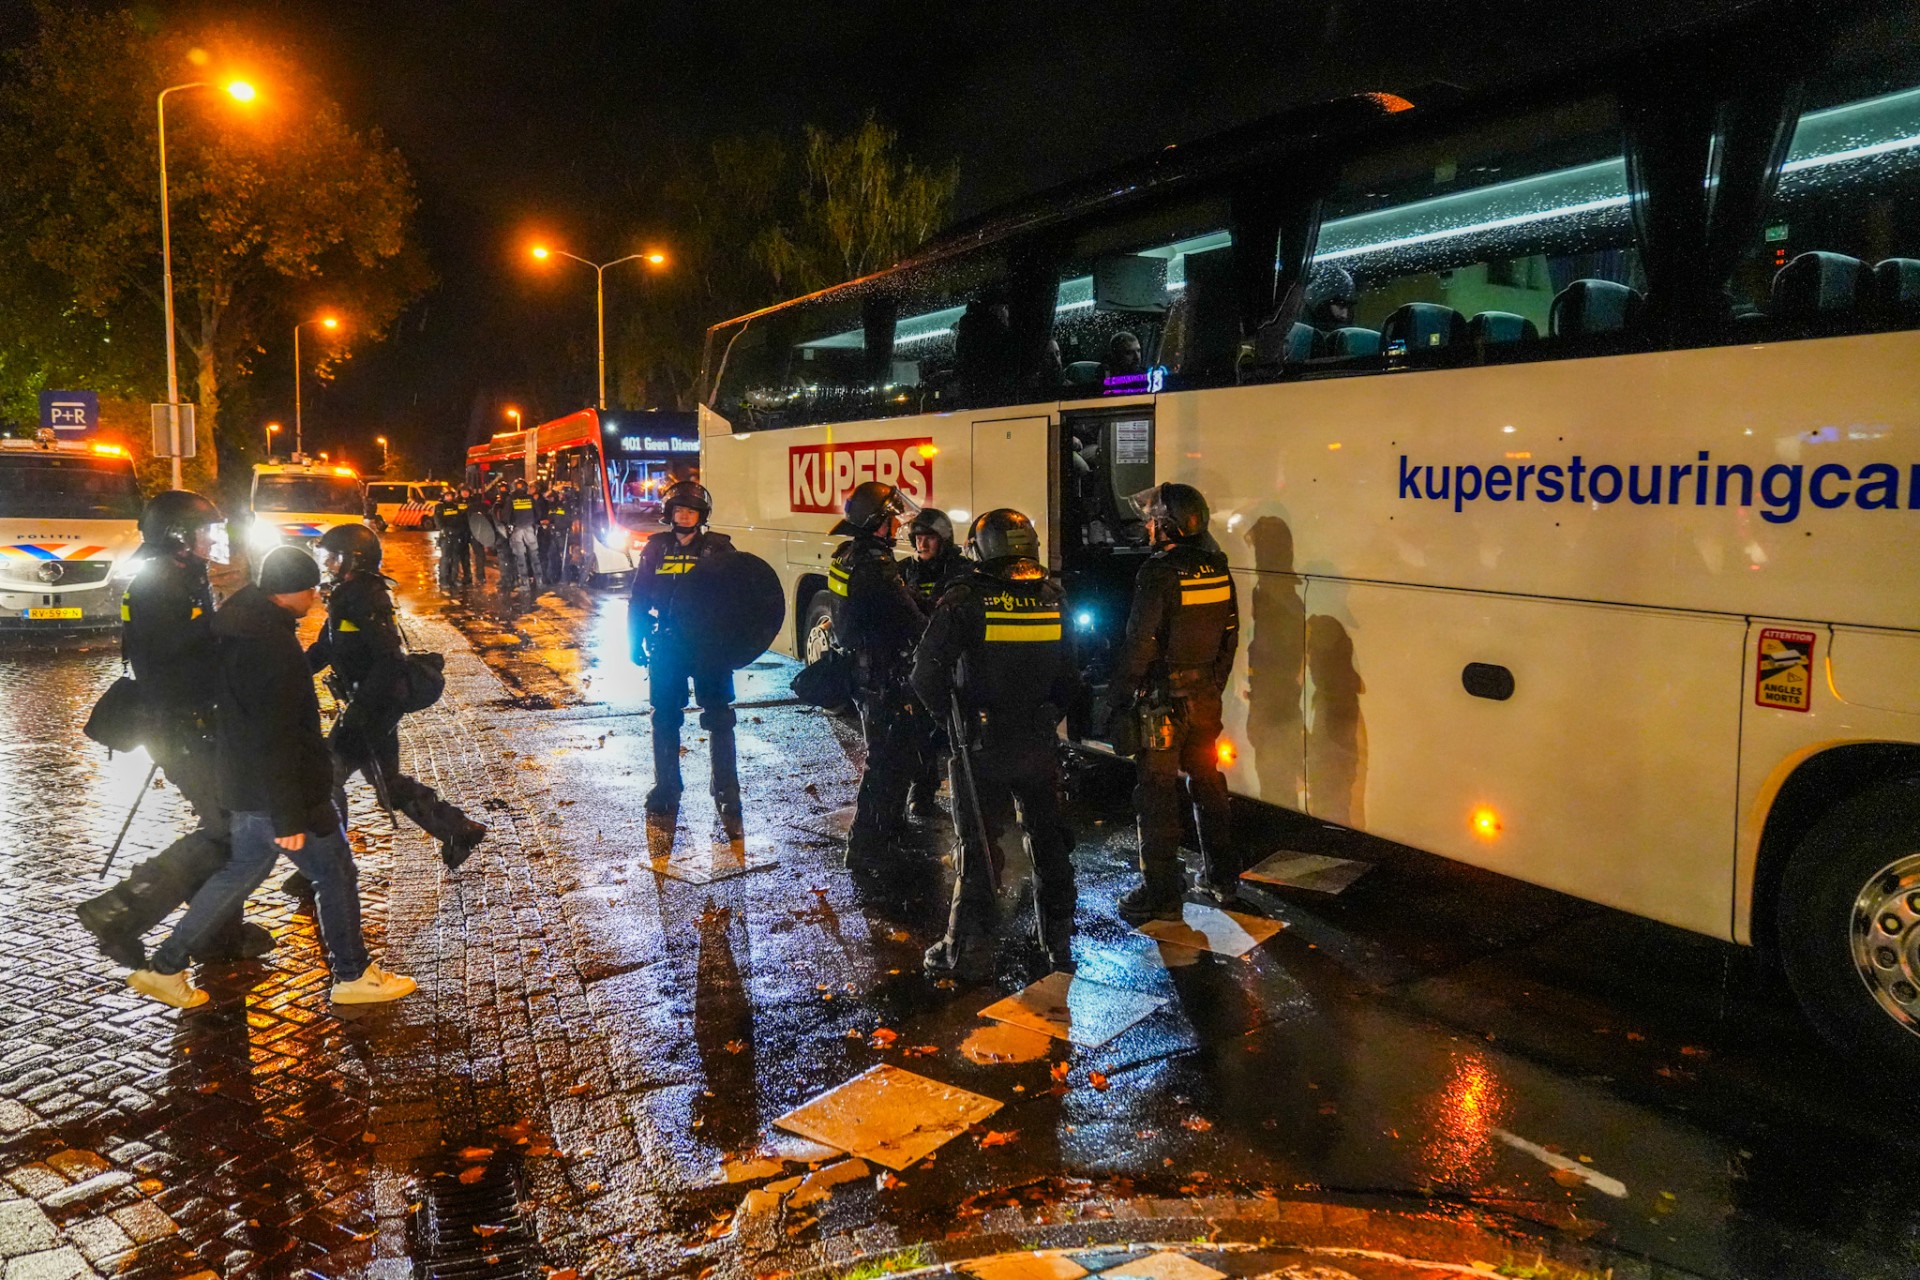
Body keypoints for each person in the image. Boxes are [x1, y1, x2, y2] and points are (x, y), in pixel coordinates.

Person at [125, 546, 416, 1009]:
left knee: (241, 872)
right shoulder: (272, 648)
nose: (316, 597)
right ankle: (353, 974)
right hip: (281, 795)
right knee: (336, 873)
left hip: (244, 784)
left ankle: (164, 967)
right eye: (312, 589)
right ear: (295, 592)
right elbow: (278, 736)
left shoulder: (242, 622)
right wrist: (288, 815)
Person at [75, 491, 274, 968]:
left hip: (196, 722)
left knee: (229, 827)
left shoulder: (182, 575)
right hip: (178, 726)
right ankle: (118, 913)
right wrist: (224, 627)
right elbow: (167, 655)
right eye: (204, 531)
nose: (212, 540)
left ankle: (217, 935)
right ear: (177, 536)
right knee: (228, 829)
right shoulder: (157, 583)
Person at [912, 509, 1079, 979]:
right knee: (1050, 842)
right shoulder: (1052, 599)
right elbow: (1071, 676)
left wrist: (952, 723)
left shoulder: (966, 599)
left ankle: (968, 954)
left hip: (980, 747)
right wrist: (1046, 719)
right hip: (1037, 742)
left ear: (982, 548)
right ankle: (1059, 942)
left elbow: (926, 672)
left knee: (980, 849)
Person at [302, 522, 487, 873]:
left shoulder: (364, 595)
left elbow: (389, 657)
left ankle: (322, 865)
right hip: (372, 704)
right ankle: (458, 830)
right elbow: (328, 646)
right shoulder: (347, 592)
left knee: (325, 779)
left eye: (333, 557)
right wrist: (294, 671)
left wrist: (362, 709)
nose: (327, 564)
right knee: (387, 781)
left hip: (372, 706)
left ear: (354, 559)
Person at [1110, 482, 1240, 922]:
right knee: (1207, 780)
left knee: (1157, 792)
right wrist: (1211, 684)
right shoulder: (1217, 566)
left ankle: (1161, 890)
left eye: (1152, 519)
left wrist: (1119, 695)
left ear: (1167, 525)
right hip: (1204, 697)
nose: (1147, 525)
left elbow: (1139, 642)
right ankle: (1223, 877)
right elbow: (1230, 635)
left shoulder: (1158, 571)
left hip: (1163, 704)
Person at [628, 481, 743, 835]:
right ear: (670, 514)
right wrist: (635, 639)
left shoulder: (720, 549)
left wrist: (738, 641)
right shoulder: (656, 549)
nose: (684, 516)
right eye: (679, 510)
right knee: (664, 717)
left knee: (720, 716)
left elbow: (740, 597)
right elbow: (638, 596)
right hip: (667, 643)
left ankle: (725, 788)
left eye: (691, 511)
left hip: (709, 644)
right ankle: (667, 786)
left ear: (701, 515)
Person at [830, 481, 930, 867]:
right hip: (881, 674)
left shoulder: (849, 554)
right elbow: (908, 615)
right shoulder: (876, 564)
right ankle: (868, 844)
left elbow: (896, 601)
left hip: (863, 669)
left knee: (887, 754)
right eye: (891, 519)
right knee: (886, 759)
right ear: (876, 523)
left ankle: (886, 830)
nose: (897, 526)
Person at [899, 508, 967, 817]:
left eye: (929, 539)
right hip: (921, 662)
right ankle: (922, 791)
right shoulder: (905, 571)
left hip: (955, 663)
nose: (922, 545)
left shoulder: (961, 572)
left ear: (944, 540)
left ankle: (968, 795)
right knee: (918, 731)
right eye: (918, 539)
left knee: (960, 733)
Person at [504, 478, 542, 590]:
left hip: (517, 530)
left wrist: (511, 524)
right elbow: (538, 514)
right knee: (534, 554)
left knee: (520, 556)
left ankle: (525, 583)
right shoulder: (530, 498)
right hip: (530, 529)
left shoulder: (511, 499)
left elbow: (506, 516)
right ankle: (539, 580)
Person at [432, 485, 467, 591]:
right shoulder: (439, 507)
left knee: (455, 559)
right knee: (445, 559)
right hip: (446, 536)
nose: (449, 498)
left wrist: (460, 530)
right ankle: (444, 580)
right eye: (447, 496)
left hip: (456, 535)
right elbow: (438, 521)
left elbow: (461, 519)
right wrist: (446, 530)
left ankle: (454, 579)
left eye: (450, 495)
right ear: (443, 497)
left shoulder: (455, 506)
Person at [543, 481, 575, 584]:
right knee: (551, 556)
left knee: (565, 557)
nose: (559, 496)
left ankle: (565, 579)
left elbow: (566, 521)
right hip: (554, 535)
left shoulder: (568, 507)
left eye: (561, 494)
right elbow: (554, 517)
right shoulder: (557, 505)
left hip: (563, 535)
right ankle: (552, 578)